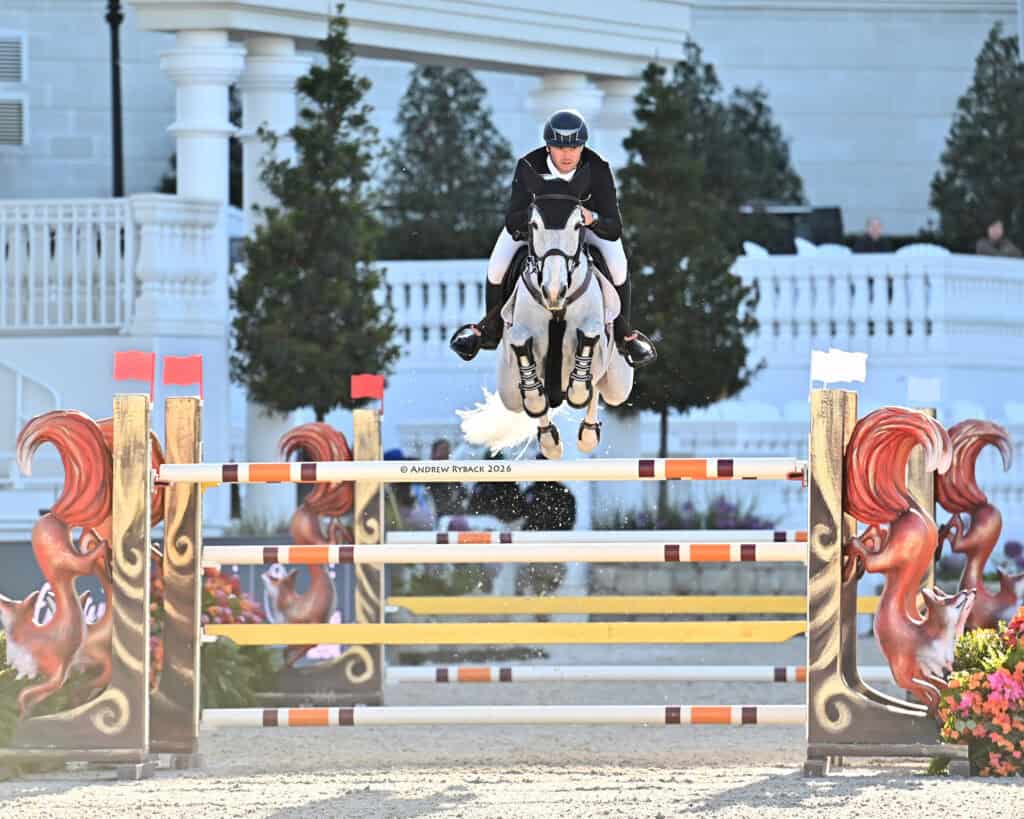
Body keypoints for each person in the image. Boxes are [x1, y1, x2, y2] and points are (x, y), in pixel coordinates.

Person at [449, 109, 657, 368]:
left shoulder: (598, 169)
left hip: (584, 230)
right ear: (548, 147)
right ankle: (490, 328)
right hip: (536, 230)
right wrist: (539, 220)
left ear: (583, 147)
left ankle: (623, 333)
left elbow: (613, 226)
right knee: (497, 265)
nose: (567, 154)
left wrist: (590, 218)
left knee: (617, 265)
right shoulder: (528, 166)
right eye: (559, 147)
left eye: (574, 147)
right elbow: (513, 218)